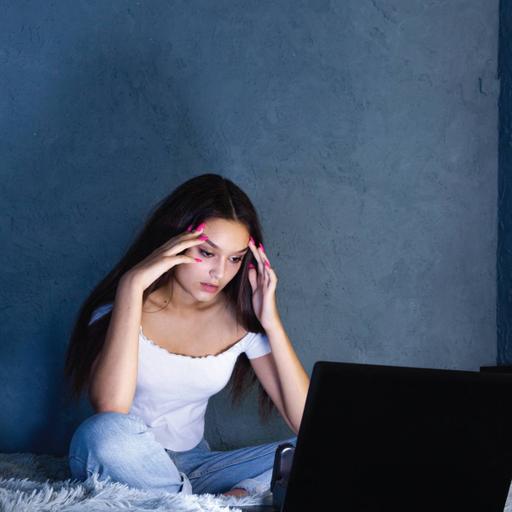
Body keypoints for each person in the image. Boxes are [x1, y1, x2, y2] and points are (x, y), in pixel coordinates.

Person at [63, 173, 310, 497]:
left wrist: (272, 323)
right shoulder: (120, 309)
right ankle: (200, 504)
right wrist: (131, 286)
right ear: (173, 244)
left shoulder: (241, 323)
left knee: (324, 445)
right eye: (206, 253)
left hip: (198, 467)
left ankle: (224, 499)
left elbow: (307, 423)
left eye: (235, 259)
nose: (219, 272)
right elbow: (111, 406)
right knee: (101, 432)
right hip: (127, 463)